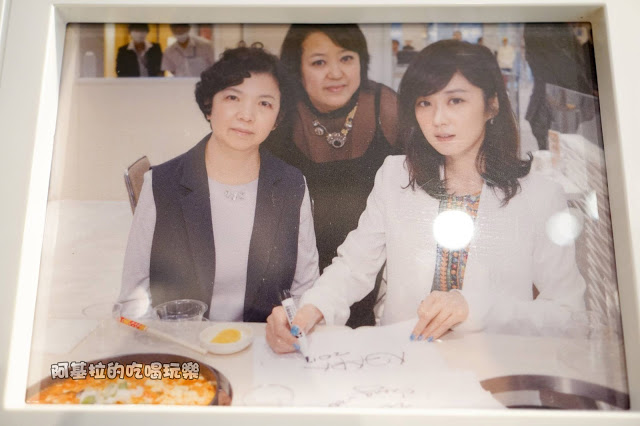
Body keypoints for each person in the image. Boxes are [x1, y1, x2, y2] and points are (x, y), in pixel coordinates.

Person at [266, 40, 586, 353]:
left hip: (495, 370)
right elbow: (354, 266)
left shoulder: (540, 195)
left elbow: (569, 317)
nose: (438, 119)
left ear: (492, 105)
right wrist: (310, 309)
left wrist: (476, 309)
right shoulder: (396, 175)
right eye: (424, 103)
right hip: (405, 364)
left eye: (455, 100)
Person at [118, 47, 319, 322]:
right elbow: (133, 299)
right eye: (233, 97)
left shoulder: (291, 185)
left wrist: (290, 329)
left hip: (263, 343)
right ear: (209, 106)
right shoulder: (162, 184)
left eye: (264, 103)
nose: (246, 115)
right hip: (181, 342)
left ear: (277, 119)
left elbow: (305, 288)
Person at [263, 24, 399, 328]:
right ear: (297, 69)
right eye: (319, 62)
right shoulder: (280, 112)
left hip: (368, 267)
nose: (336, 73)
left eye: (346, 58)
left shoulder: (386, 106)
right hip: (295, 273)